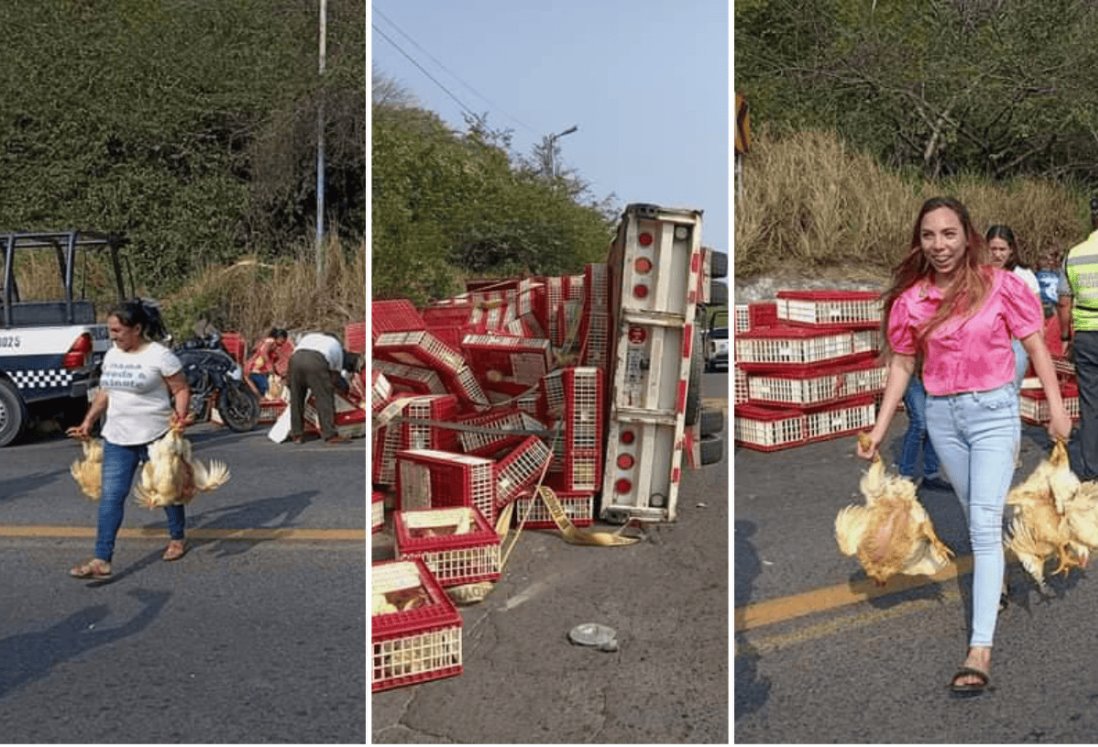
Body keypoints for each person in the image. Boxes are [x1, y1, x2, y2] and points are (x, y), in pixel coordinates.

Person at [857, 197, 1070, 695]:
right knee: (980, 508)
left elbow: (1036, 343)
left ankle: (979, 650)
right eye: (929, 236)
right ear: (920, 240)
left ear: (966, 235)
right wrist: (880, 426)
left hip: (994, 413)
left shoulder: (998, 285)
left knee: (979, 521)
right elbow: (902, 367)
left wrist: (1056, 407)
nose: (939, 245)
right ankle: (997, 577)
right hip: (941, 417)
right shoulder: (912, 300)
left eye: (949, 234)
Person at [66, 298, 193, 579]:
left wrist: (180, 417)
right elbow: (105, 392)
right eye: (111, 331)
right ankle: (102, 558)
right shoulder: (113, 355)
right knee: (111, 497)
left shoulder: (160, 356)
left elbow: (181, 390)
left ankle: (177, 536)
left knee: (166, 493)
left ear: (137, 328)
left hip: (156, 438)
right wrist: (88, 421)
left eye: (117, 331)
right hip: (117, 439)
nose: (113, 337)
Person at [1057, 196, 1098, 480]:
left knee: (1090, 404)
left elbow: (1063, 303)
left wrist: (1064, 336)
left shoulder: (1075, 254)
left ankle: (1092, 471)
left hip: (1085, 337)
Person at [986, 224, 1040, 388]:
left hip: (1017, 344)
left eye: (1002, 249)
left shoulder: (1024, 276)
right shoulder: (980, 276)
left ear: (1011, 250)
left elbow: (1037, 315)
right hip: (987, 345)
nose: (997, 254)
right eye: (993, 249)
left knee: (1010, 392)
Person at [287, 331, 351, 444]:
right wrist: (334, 389)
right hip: (316, 361)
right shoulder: (336, 345)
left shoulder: (310, 337)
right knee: (324, 399)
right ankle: (330, 435)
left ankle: (297, 435)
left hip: (294, 360)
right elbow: (335, 376)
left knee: (296, 399)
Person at [896, 367, 949, 490]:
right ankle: (905, 475)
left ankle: (931, 473)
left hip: (934, 370)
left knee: (934, 421)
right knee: (920, 423)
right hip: (912, 371)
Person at [244, 327, 291, 398]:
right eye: (283, 340)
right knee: (264, 387)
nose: (283, 343)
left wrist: (278, 373)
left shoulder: (273, 345)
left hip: (259, 370)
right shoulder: (270, 341)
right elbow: (263, 353)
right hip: (254, 369)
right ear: (280, 337)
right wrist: (269, 367)